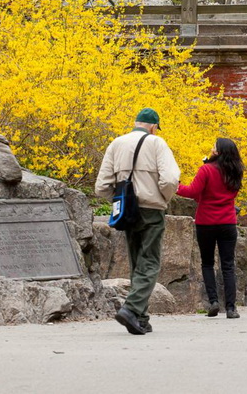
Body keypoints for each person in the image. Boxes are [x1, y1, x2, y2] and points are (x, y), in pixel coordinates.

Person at [95, 108, 180, 335]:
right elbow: (170, 179)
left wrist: (118, 197)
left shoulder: (116, 143)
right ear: (153, 126)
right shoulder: (156, 143)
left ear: (136, 123)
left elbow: (101, 186)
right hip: (152, 209)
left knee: (136, 262)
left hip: (127, 211)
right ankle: (131, 309)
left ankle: (141, 318)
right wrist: (163, 197)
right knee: (150, 262)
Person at [175, 137, 245, 319]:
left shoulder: (206, 169)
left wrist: (175, 186)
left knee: (207, 263)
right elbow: (224, 193)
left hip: (206, 223)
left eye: (214, 147)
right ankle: (231, 308)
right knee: (228, 265)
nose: (211, 148)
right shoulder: (236, 172)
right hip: (228, 222)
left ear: (219, 152)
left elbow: (192, 192)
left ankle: (213, 301)